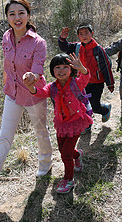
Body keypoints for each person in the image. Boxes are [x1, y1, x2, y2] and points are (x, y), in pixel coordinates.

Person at [0, 0, 52, 193]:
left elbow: (38, 69)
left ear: (28, 15)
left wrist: (33, 76)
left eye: (21, 13)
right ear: (7, 18)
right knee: (4, 137)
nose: (17, 18)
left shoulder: (38, 42)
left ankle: (45, 164)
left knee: (41, 132)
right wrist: (6, 83)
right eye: (12, 14)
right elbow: (8, 65)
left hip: (33, 94)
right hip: (12, 94)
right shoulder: (6, 37)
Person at [23, 53, 92, 194]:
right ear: (52, 70)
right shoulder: (52, 87)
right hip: (61, 124)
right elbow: (39, 93)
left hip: (75, 122)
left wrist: (82, 68)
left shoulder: (76, 83)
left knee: (65, 154)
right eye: (57, 67)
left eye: (65, 67)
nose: (61, 70)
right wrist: (30, 86)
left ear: (71, 69)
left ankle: (68, 179)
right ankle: (78, 155)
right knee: (63, 149)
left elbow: (86, 77)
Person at [58, 24, 114, 124]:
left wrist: (110, 83)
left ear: (92, 34)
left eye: (86, 33)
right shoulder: (77, 47)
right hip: (82, 82)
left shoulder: (98, 49)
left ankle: (105, 109)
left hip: (96, 83)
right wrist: (62, 38)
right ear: (78, 36)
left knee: (95, 106)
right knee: (82, 104)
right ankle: (86, 124)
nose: (84, 36)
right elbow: (65, 48)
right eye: (81, 34)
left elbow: (106, 67)